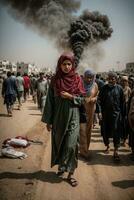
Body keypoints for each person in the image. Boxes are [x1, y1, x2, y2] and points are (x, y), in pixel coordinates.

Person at [42, 52, 85, 187]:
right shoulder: (55, 80)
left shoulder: (77, 79)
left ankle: (71, 173)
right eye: (64, 64)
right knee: (59, 143)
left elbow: (82, 99)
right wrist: (48, 120)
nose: (66, 67)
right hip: (58, 117)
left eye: (69, 64)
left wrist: (70, 97)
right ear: (59, 65)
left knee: (71, 145)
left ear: (72, 65)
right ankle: (61, 167)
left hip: (73, 116)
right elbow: (50, 101)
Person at [98, 72, 125, 161]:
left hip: (116, 115)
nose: (111, 80)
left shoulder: (119, 89)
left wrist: (123, 115)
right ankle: (107, 146)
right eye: (109, 78)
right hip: (105, 114)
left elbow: (122, 103)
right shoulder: (103, 88)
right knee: (105, 131)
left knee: (116, 132)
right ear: (107, 79)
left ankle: (116, 151)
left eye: (113, 79)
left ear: (116, 79)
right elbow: (99, 101)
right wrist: (99, 112)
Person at [79, 69, 98, 159]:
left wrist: (95, 99)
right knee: (82, 131)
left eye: (91, 78)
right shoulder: (80, 84)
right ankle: (83, 151)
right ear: (84, 77)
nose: (89, 79)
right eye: (88, 77)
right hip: (81, 111)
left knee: (88, 131)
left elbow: (97, 95)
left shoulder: (95, 85)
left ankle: (86, 149)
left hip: (91, 111)